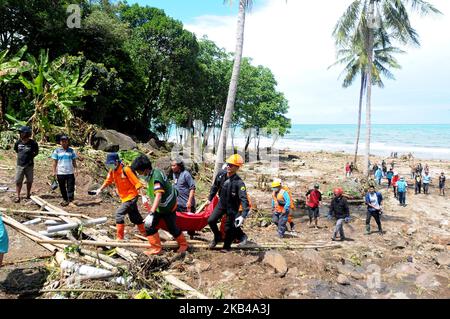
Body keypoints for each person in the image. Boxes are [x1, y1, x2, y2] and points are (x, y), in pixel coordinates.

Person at [131, 155, 187, 255]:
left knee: (172, 227)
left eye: (139, 172)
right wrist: (145, 197)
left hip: (168, 206)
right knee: (149, 226)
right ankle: (156, 249)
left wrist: (151, 213)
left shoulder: (156, 177)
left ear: (145, 169)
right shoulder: (151, 174)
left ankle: (183, 244)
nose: (139, 174)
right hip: (160, 207)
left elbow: (158, 195)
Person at [94, 153, 147, 240]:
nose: (110, 166)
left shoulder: (126, 170)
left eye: (111, 163)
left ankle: (120, 238)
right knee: (135, 217)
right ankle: (146, 234)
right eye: (109, 164)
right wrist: (100, 189)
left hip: (131, 197)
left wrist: (143, 195)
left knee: (119, 214)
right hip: (124, 198)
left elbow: (137, 183)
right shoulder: (112, 171)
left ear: (117, 162)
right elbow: (108, 180)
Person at [207, 154, 250, 251]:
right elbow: (215, 187)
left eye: (231, 165)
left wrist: (243, 215)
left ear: (237, 167)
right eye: (228, 164)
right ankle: (217, 236)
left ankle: (226, 247)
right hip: (221, 203)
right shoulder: (221, 174)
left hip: (232, 207)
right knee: (211, 220)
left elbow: (244, 200)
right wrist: (209, 199)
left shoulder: (239, 183)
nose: (228, 166)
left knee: (228, 228)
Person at [13, 126, 39, 203]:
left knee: (29, 181)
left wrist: (31, 157)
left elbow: (36, 152)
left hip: (29, 165)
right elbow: (16, 150)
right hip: (20, 165)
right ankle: (18, 196)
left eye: (22, 133)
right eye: (20, 133)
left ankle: (28, 194)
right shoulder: (18, 142)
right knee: (18, 181)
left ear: (27, 134)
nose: (20, 134)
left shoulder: (33, 143)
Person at [51, 135, 78, 207]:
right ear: (60, 142)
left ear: (68, 142)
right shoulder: (57, 151)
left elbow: (74, 161)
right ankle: (65, 199)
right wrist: (54, 171)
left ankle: (71, 200)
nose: (64, 142)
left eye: (65, 141)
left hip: (70, 172)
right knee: (62, 186)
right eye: (62, 141)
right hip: (60, 172)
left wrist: (76, 169)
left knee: (70, 186)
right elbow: (54, 162)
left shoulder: (71, 151)